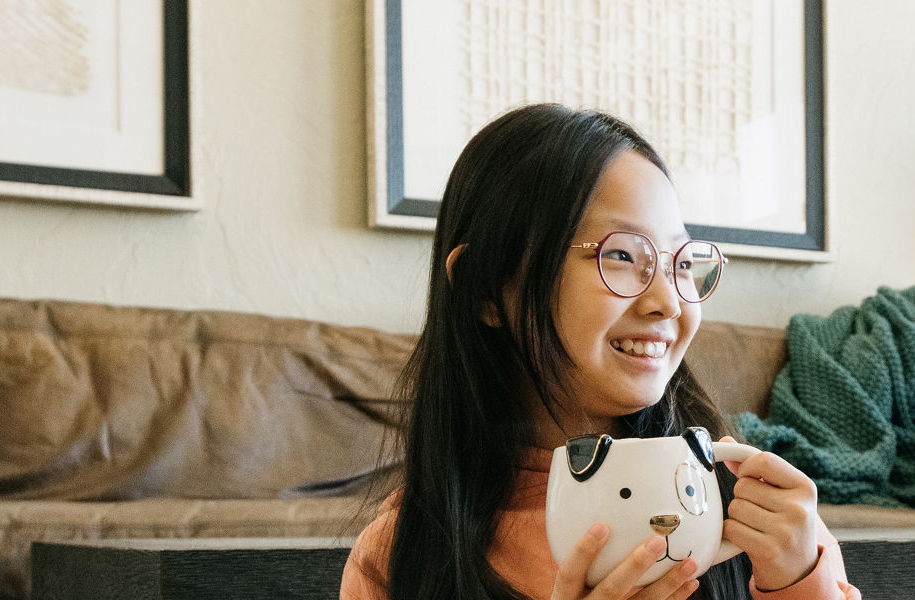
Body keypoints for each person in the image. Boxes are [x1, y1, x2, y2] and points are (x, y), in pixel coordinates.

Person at [340, 105, 859, 600]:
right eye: (621, 255)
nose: (667, 302)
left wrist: (799, 581)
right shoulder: (402, 558)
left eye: (678, 261)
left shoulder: (753, 511)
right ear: (487, 289)